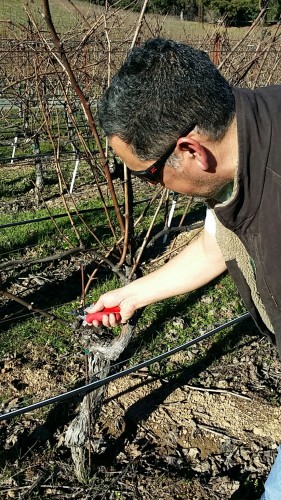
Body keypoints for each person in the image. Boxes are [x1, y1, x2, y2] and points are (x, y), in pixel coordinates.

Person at [87, 38, 281, 498]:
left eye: (147, 174)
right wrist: (132, 294)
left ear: (192, 150)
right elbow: (220, 240)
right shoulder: (249, 128)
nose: (153, 187)